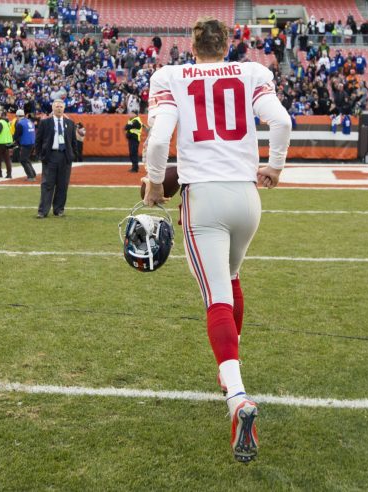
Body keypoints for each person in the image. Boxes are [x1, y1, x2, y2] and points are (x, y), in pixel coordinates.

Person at [143, 17, 291, 463]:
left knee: (216, 300)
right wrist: (276, 166)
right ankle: (231, 370)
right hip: (247, 197)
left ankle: (237, 396)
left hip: (203, 196)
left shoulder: (171, 76)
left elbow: (157, 143)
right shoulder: (250, 71)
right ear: (227, 44)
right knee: (230, 276)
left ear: (191, 44)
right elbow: (280, 121)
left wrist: (153, 184)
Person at [35, 99, 77, 218]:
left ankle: (59, 210)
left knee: (62, 185)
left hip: (65, 156)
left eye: (61, 107)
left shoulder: (70, 123)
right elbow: (38, 140)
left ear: (64, 109)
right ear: (52, 108)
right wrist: (40, 155)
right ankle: (43, 211)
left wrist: (73, 155)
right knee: (47, 184)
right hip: (50, 156)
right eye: (57, 106)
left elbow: (73, 141)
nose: (59, 108)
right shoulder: (45, 122)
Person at [13, 109, 36, 181]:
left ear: (17, 116)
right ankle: (33, 173)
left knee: (23, 160)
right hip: (32, 142)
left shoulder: (20, 123)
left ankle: (31, 176)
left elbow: (16, 135)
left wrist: (15, 141)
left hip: (26, 143)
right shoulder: (29, 121)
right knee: (26, 158)